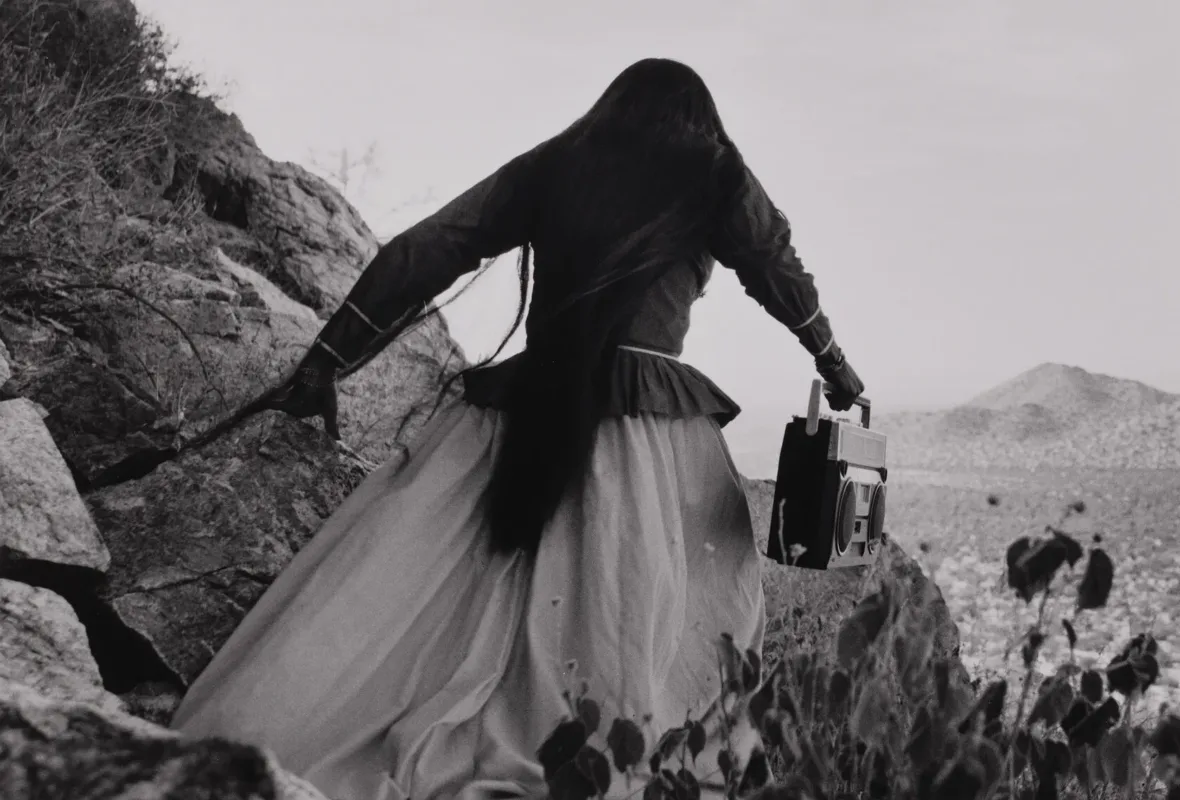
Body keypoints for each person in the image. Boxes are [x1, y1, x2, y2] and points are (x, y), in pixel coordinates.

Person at [170, 58, 864, 800]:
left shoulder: (561, 160)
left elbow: (432, 244)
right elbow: (777, 269)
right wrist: (837, 366)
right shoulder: (715, 172)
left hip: (522, 410)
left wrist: (330, 358)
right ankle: (614, 757)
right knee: (665, 607)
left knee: (424, 585)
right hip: (645, 432)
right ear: (701, 119)